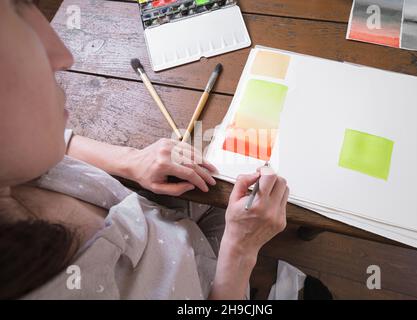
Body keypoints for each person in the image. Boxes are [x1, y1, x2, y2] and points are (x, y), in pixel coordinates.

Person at [0, 0, 289, 300]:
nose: (64, 55)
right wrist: (241, 251)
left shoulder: (15, 156)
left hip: (164, 211)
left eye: (19, 4)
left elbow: (58, 140)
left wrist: (131, 161)